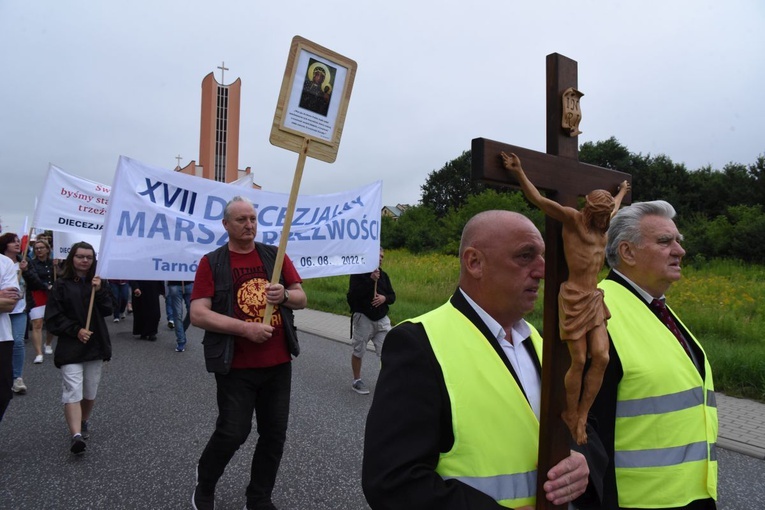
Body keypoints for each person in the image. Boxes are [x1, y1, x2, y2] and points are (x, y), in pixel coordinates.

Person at [362, 210, 605, 509]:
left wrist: (582, 460)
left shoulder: (541, 342)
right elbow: (392, 481)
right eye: (525, 256)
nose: (543, 270)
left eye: (542, 256)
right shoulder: (418, 344)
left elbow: (583, 425)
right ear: (474, 262)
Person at [586, 201, 717, 509]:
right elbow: (587, 430)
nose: (679, 250)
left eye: (678, 241)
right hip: (639, 502)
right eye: (664, 241)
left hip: (692, 495)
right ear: (627, 252)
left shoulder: (658, 308)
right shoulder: (600, 314)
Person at [500, 151, 630, 444]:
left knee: (602, 356)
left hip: (595, 298)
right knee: (580, 359)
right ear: (590, 211)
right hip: (573, 296)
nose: (604, 221)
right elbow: (540, 201)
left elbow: (616, 207)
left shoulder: (603, 225)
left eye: (606, 216)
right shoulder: (573, 220)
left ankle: (582, 414)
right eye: (600, 215)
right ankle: (570, 412)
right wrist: (519, 172)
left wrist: (621, 191)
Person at [190, 196, 307, 510]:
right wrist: (245, 329)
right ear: (226, 225)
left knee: (274, 435)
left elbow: (301, 297)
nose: (249, 225)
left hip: (278, 363)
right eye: (241, 220)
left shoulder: (274, 256)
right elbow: (198, 314)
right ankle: (205, 481)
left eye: (253, 219)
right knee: (233, 432)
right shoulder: (212, 262)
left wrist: (285, 295)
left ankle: (258, 498)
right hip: (236, 365)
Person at [44, 242, 113, 454]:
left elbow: (110, 309)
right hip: (71, 345)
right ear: (72, 258)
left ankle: (83, 420)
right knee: (73, 390)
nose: (84, 260)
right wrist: (76, 330)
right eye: (80, 256)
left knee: (89, 391)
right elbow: (53, 318)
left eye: (89, 257)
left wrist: (100, 291)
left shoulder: (99, 283)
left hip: (95, 343)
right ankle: (76, 435)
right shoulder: (61, 285)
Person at [346, 248, 395, 395]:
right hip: (364, 318)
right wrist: (370, 281)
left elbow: (392, 296)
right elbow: (352, 297)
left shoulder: (384, 276)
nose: (380, 259)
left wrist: (384, 298)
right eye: (378, 256)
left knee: (387, 351)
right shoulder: (358, 273)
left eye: (382, 257)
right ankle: (357, 380)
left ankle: (388, 381)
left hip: (382, 319)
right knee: (359, 350)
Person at [0, 233, 29, 394]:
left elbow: (10, 302)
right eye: (13, 242)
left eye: (19, 242)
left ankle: (17, 377)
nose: (17, 244)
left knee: (18, 342)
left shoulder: (7, 263)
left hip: (17, 313)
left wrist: (27, 271)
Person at [21, 238, 55, 363]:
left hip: (52, 295)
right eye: (36, 248)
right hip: (36, 294)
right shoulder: (31, 263)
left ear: (47, 249)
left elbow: (62, 276)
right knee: (37, 323)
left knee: (51, 321)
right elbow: (33, 279)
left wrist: (58, 266)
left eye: (41, 247)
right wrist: (46, 286)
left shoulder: (54, 263)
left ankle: (48, 343)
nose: (39, 250)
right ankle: (38, 353)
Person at [0, 252, 21, 422]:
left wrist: (4, 300)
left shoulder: (5, 262)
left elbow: (9, 304)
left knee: (3, 394)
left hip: (2, 337)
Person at [166, 280, 193, 352]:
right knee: (177, 314)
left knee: (193, 312)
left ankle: (181, 331)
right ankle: (181, 340)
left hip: (189, 283)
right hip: (175, 284)